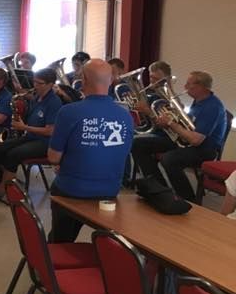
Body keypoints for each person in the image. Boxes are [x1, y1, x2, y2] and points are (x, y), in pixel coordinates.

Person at [47, 59, 134, 242]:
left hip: (72, 189)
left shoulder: (69, 112)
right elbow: (121, 154)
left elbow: (53, 158)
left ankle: (57, 246)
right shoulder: (126, 115)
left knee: (59, 238)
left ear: (84, 80)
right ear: (111, 81)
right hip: (110, 191)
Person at [131, 71, 227, 203]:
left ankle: (188, 199)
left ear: (201, 87)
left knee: (170, 159)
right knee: (138, 144)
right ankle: (159, 188)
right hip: (186, 142)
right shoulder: (198, 101)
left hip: (205, 149)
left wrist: (171, 123)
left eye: (189, 84)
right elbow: (187, 128)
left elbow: (196, 140)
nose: (185, 87)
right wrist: (166, 122)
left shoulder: (212, 107)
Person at [0, 68, 62, 196]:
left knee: (13, 154)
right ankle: (2, 179)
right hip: (31, 137)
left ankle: (4, 189)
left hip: (45, 143)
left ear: (50, 84)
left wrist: (24, 127)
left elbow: (50, 131)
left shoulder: (54, 102)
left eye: (39, 83)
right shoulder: (36, 98)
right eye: (34, 82)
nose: (35, 86)